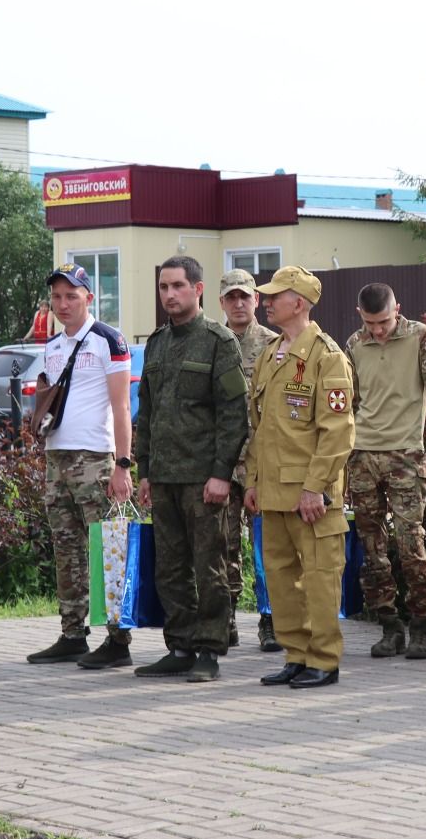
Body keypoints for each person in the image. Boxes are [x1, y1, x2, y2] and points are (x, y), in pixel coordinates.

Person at [130, 256, 250, 683]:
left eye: (178, 286)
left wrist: (222, 473)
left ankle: (210, 649)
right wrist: (143, 470)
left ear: (197, 290)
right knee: (169, 567)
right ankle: (179, 645)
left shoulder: (218, 342)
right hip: (163, 477)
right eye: (163, 287)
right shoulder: (158, 343)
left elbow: (235, 415)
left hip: (204, 479)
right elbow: (146, 412)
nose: (169, 295)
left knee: (210, 567)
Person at [244, 265, 356, 689]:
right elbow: (260, 428)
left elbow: (338, 432)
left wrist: (316, 488)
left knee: (320, 579)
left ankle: (323, 661)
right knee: (280, 578)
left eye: (276, 296)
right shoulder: (270, 355)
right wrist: (253, 481)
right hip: (273, 492)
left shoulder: (327, 357)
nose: (267, 303)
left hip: (311, 495)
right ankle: (296, 654)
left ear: (300, 303)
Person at [25, 263, 135, 667]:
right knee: (67, 549)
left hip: (95, 460)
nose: (63, 304)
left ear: (89, 297)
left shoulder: (108, 340)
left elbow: (123, 407)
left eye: (71, 295)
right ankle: (72, 633)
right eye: (56, 297)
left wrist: (122, 464)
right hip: (58, 458)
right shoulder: (52, 347)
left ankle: (118, 640)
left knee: (107, 549)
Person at [344, 283, 426, 660]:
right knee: (372, 548)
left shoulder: (420, 337)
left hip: (407, 455)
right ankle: (389, 626)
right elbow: (348, 401)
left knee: (412, 544)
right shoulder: (354, 344)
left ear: (398, 310)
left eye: (384, 322)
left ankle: (421, 626)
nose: (378, 330)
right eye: (371, 323)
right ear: (361, 316)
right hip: (362, 455)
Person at [219, 268, 282, 653]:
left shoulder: (276, 345)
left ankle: (270, 620)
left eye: (245, 296)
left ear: (257, 300)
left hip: (263, 462)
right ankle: (224, 618)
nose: (239, 303)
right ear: (222, 302)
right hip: (224, 461)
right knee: (222, 544)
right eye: (232, 297)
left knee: (267, 545)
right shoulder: (212, 342)